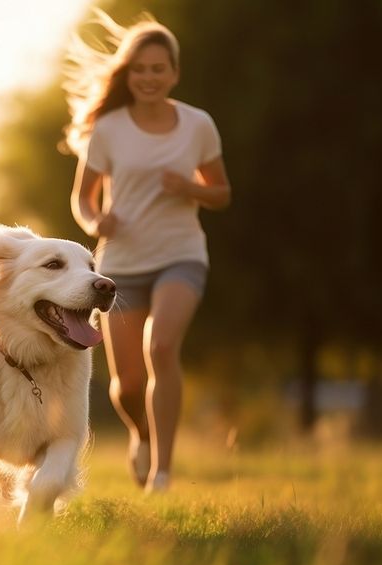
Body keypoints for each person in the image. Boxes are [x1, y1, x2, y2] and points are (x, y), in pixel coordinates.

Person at [64, 12, 231, 492]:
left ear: (174, 74)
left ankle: (163, 470)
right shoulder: (110, 129)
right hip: (120, 266)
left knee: (161, 347)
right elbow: (83, 198)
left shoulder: (198, 125)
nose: (149, 77)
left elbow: (221, 193)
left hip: (181, 255)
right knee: (128, 385)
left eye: (159, 69)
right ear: (127, 74)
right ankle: (141, 433)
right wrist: (97, 222)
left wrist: (190, 188)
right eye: (140, 69)